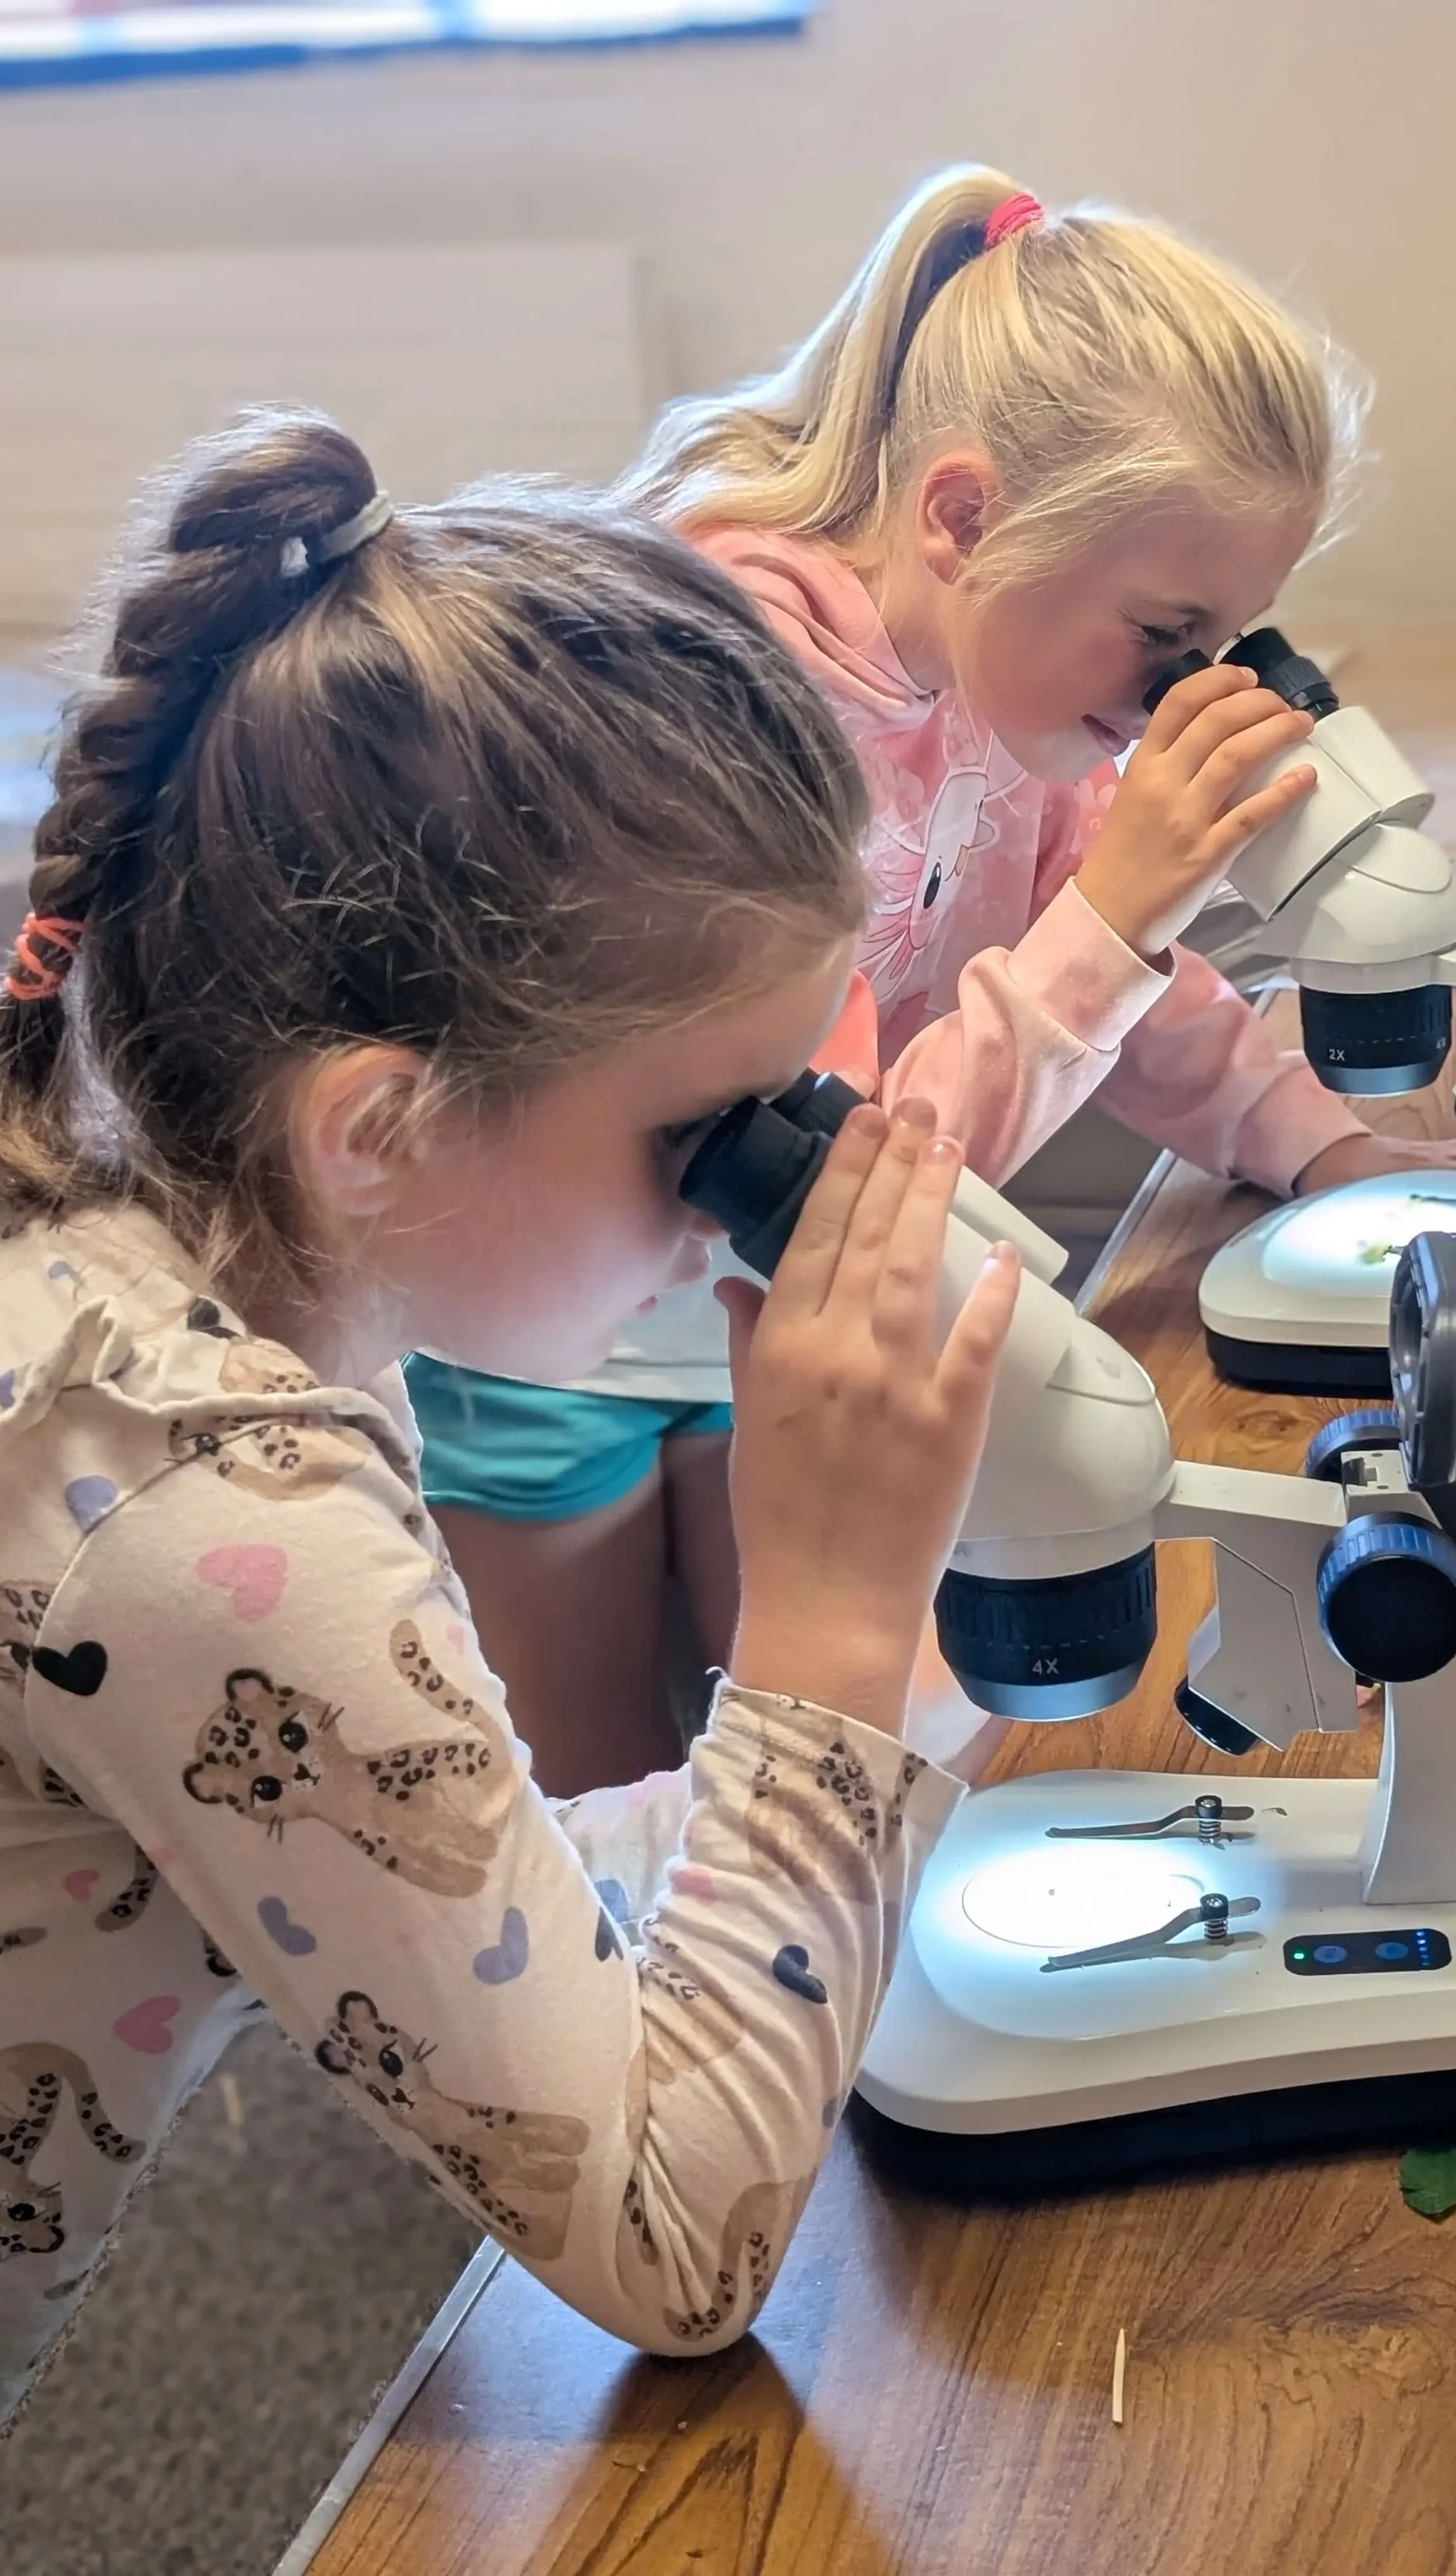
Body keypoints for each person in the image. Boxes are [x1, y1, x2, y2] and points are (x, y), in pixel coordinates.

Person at [0, 408, 1019, 2424]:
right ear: (382, 1128)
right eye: (706, 1132)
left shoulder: (175, 1230)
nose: (762, 1193)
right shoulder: (221, 1511)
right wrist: (822, 1628)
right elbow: (674, 2247)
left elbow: (434, 1849)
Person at [412, 167, 1456, 1785]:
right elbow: (844, 1181)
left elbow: (1141, 992)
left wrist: (1331, 1146)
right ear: (961, 516)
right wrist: (1112, 908)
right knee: (605, 1817)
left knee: (834, 1772)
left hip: (786, 1335)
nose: (1185, 685)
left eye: (1228, 636)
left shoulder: (999, 667)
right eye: (1167, 629)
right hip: (557, 1339)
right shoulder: (713, 690)